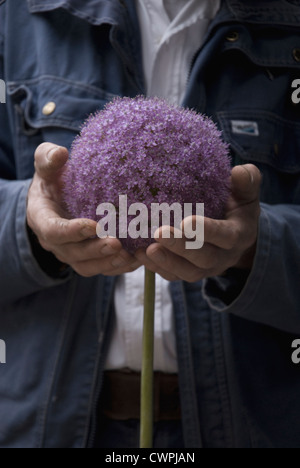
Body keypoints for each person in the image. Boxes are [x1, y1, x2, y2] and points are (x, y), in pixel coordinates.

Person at [0, 0, 300, 449]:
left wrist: (256, 246)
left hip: (248, 427)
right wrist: (27, 218)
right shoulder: (17, 15)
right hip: (51, 426)